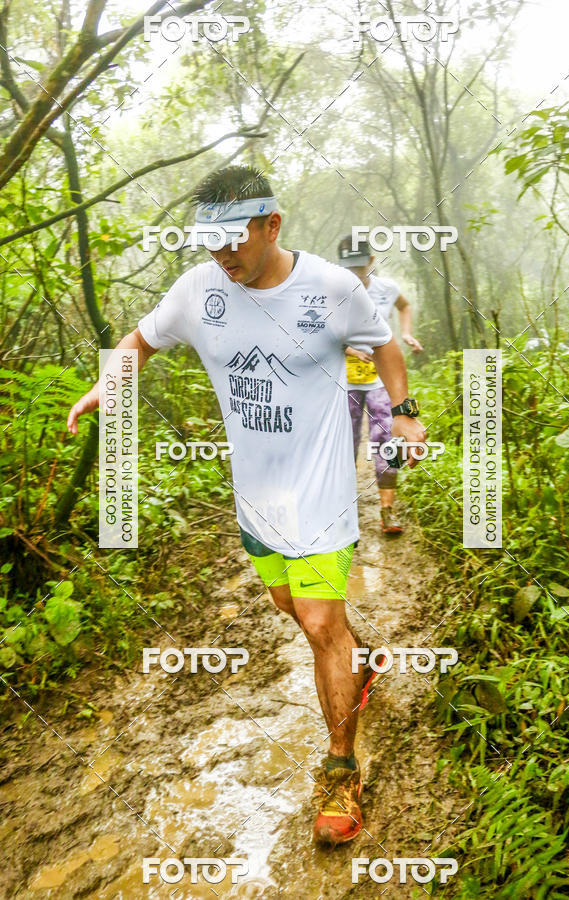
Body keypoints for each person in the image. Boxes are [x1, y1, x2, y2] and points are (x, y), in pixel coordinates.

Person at [67, 166, 426, 846]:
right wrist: (107, 385)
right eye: (211, 240)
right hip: (258, 495)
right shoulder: (197, 291)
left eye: (236, 237)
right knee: (290, 606)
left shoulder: (330, 287)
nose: (224, 253)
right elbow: (140, 341)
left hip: (321, 489)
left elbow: (382, 340)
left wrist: (403, 410)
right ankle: (360, 658)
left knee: (318, 621)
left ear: (272, 224)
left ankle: (340, 771)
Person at [338, 235, 424, 535]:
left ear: (371, 262)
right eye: (348, 267)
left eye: (359, 266)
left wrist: (407, 333)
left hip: (379, 379)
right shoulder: (330, 292)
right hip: (343, 379)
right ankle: (341, 511)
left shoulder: (386, 289)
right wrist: (350, 350)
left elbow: (405, 306)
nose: (354, 273)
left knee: (386, 439)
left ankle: (388, 510)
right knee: (344, 442)